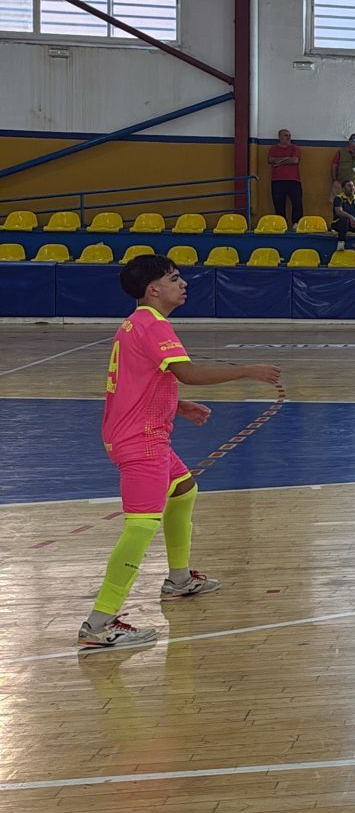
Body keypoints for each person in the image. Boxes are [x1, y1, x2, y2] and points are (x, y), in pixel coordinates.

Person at [77, 256, 283, 650]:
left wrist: (176, 405)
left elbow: (138, 383)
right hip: (142, 441)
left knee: (184, 489)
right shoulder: (153, 325)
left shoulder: (135, 323)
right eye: (174, 278)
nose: (183, 283)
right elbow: (187, 372)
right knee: (140, 527)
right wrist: (247, 371)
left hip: (138, 432)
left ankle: (179, 579)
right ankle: (99, 622)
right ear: (153, 289)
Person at [267, 128, 303, 225]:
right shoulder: (273, 149)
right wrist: (287, 158)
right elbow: (270, 160)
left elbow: (295, 160)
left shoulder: (294, 148)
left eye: (289, 135)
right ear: (279, 137)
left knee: (297, 203)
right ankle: (281, 224)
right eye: (286, 135)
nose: (288, 137)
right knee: (278, 203)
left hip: (294, 180)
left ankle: (296, 223)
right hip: (277, 180)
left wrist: (278, 162)